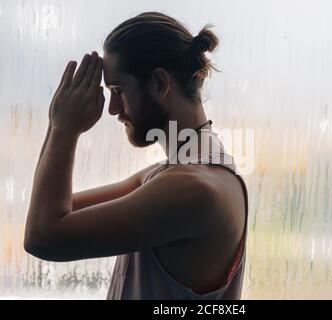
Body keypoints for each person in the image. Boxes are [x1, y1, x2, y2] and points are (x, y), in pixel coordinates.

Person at [24, 11, 248, 300]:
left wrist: (63, 128)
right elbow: (57, 211)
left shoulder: (194, 188)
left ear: (159, 84)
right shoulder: (170, 175)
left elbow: (43, 237)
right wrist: (59, 123)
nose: (112, 108)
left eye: (117, 90)